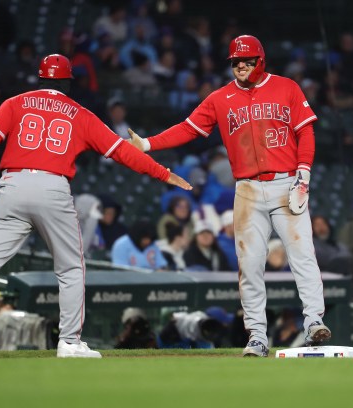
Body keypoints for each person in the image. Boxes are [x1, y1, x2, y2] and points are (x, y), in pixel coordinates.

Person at [0, 54, 191, 358]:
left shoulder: (15, 103)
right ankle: (69, 342)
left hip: (12, 184)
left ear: (41, 78)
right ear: (68, 82)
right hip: (52, 186)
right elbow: (123, 152)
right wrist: (163, 173)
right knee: (71, 266)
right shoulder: (80, 113)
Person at [126, 35, 331, 356]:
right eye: (236, 61)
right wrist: (149, 144)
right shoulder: (221, 97)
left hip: (286, 182)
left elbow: (305, 130)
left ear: (260, 61)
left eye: (246, 61)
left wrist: (304, 172)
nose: (240, 66)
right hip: (247, 189)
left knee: (303, 255)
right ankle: (257, 336)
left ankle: (314, 321)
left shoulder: (286, 87)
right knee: (249, 265)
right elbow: (189, 128)